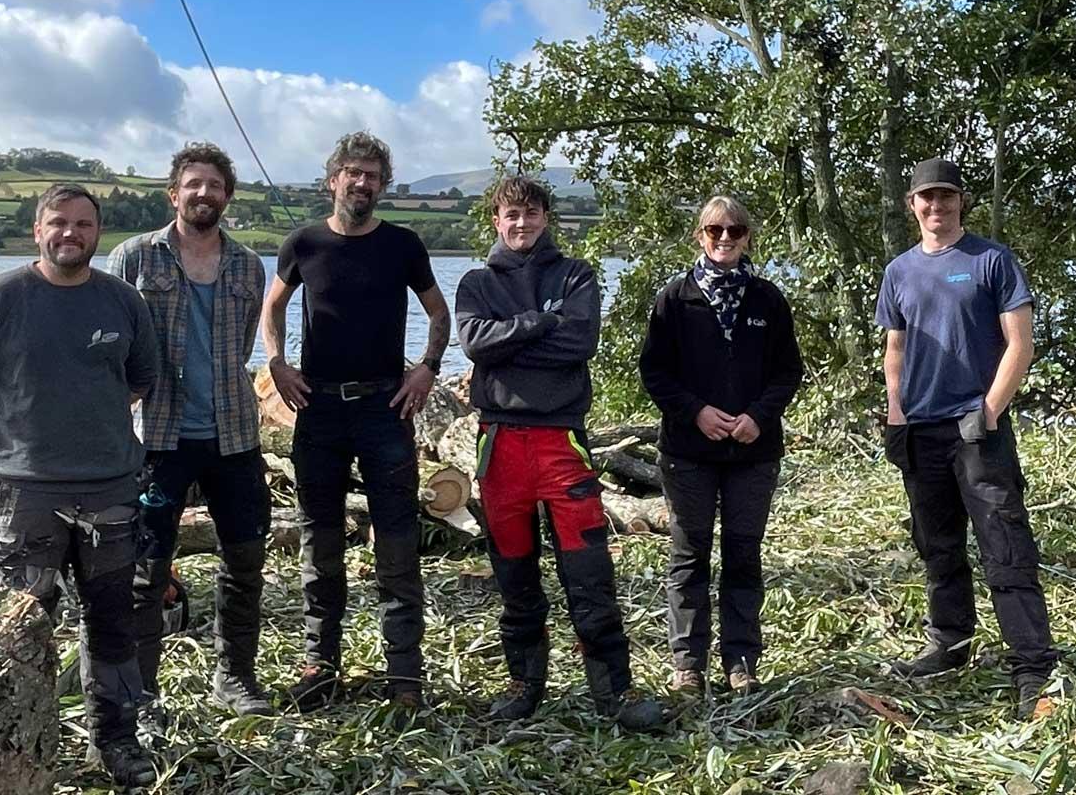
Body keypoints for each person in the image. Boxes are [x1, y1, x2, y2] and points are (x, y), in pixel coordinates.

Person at [0, 183, 162, 788]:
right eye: (59, 223)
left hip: (111, 489)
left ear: (98, 233)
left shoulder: (122, 301)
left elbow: (141, 379)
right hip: (24, 495)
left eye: (84, 224)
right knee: (23, 621)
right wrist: (9, 434)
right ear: (38, 230)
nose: (71, 234)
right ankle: (21, 745)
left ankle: (115, 740)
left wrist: (90, 428)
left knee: (111, 621)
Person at [454, 175, 665, 731]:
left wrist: (513, 341)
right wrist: (539, 322)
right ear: (496, 222)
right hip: (500, 444)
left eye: (530, 213)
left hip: (560, 441)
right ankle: (524, 683)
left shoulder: (575, 275)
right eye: (510, 215)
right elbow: (475, 343)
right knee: (514, 573)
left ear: (546, 217)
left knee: (588, 571)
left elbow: (579, 343)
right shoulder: (476, 282)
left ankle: (613, 692)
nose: (520, 224)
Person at [261, 131, 450, 711]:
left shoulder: (403, 245)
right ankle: (320, 664)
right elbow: (272, 306)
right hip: (317, 408)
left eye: (372, 174)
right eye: (353, 172)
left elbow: (438, 312)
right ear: (332, 180)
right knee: (321, 540)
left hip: (385, 406)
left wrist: (427, 368)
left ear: (382, 185)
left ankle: (405, 678)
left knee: (396, 541)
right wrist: (277, 362)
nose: (362, 182)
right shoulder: (304, 243)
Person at [875, 158, 1058, 718]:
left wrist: (990, 409)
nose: (936, 207)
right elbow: (895, 352)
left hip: (978, 430)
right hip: (922, 432)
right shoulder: (899, 272)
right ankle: (950, 645)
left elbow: (1020, 343)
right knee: (938, 545)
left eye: (946, 197)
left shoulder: (991, 260)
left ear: (960, 202)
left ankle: (1034, 665)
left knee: (1003, 545)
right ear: (913, 205)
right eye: (926, 198)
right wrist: (896, 417)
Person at [104, 143, 273, 720]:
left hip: (234, 436)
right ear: (173, 193)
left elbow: (242, 344)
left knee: (244, 560)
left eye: (215, 185)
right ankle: (142, 690)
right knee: (147, 568)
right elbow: (112, 339)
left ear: (228, 195)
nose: (204, 194)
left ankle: (234, 677)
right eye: (193, 184)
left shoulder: (248, 265)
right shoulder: (135, 257)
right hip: (158, 437)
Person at [638, 195, 803, 698]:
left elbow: (787, 371)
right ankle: (687, 665)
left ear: (748, 236)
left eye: (735, 230)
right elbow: (654, 372)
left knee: (743, 556)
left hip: (753, 453)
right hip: (688, 452)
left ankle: (742, 662)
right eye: (715, 231)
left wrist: (758, 415)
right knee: (689, 556)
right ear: (700, 236)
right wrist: (696, 412)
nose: (725, 239)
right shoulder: (674, 299)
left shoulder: (768, 299)